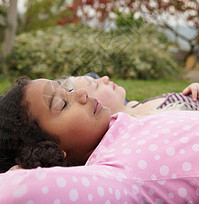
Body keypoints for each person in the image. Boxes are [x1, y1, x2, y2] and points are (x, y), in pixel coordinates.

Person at [1, 78, 199, 203]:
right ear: (48, 150)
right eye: (62, 104)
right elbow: (17, 191)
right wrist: (20, 172)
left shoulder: (119, 128)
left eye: (68, 90)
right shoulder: (113, 174)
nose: (81, 94)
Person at [61, 75, 199, 116]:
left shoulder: (133, 105)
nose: (105, 78)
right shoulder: (142, 122)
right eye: (96, 85)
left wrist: (193, 89)